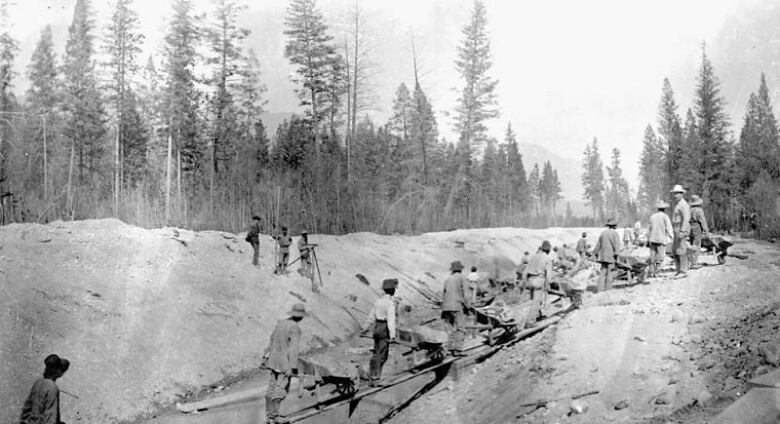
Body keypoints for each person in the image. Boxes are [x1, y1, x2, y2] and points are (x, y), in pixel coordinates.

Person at [263, 303, 305, 424]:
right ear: (301, 317)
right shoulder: (295, 328)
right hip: (284, 363)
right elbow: (293, 350)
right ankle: (275, 416)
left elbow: (271, 340)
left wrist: (266, 356)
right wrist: (292, 367)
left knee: (271, 388)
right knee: (281, 389)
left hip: (273, 361)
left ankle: (268, 416)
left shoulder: (281, 323)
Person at [363, 279, 398, 387]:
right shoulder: (390, 303)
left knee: (376, 352)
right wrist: (392, 336)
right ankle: (376, 379)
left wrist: (365, 328)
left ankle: (372, 376)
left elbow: (371, 316)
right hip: (384, 327)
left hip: (376, 327)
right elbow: (391, 321)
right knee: (382, 355)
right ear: (392, 291)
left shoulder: (378, 301)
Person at [20, 354, 70, 424]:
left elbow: (26, 410)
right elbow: (51, 418)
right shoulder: (52, 388)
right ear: (58, 372)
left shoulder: (38, 383)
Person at [441, 260, 469, 356]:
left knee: (449, 328)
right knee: (461, 328)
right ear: (460, 270)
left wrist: (443, 307)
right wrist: (468, 307)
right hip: (456, 306)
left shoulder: (447, 279)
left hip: (446, 307)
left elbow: (444, 294)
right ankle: (457, 349)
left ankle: (448, 348)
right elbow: (466, 294)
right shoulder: (462, 278)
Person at [522, 240, 553, 327]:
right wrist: (549, 283)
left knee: (534, 300)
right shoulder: (548, 259)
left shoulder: (533, 257)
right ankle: (530, 322)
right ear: (548, 250)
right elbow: (549, 275)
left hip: (530, 280)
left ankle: (537, 315)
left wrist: (525, 281)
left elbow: (525, 271)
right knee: (536, 302)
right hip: (539, 280)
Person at [592, 218, 622, 292]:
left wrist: (594, 253)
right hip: (610, 256)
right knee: (610, 273)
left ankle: (600, 289)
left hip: (603, 256)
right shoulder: (615, 234)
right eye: (616, 225)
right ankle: (608, 290)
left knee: (602, 273)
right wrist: (617, 256)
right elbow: (617, 246)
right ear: (614, 226)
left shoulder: (603, 233)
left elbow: (598, 245)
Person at [647, 200, 673, 277]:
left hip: (653, 239)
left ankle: (651, 271)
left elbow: (649, 228)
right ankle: (657, 272)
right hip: (661, 239)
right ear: (664, 209)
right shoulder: (665, 216)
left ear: (658, 208)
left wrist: (648, 238)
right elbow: (669, 228)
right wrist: (671, 237)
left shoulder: (652, 216)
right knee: (660, 257)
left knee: (652, 257)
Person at [670, 185, 691, 278]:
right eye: (674, 193)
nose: (675, 195)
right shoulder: (678, 205)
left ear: (682, 194)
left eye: (677, 193)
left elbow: (686, 218)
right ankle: (678, 270)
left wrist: (682, 231)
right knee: (675, 251)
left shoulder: (683, 205)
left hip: (680, 229)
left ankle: (683, 271)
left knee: (681, 250)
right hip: (676, 229)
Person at [688, 195, 709, 270]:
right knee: (696, 245)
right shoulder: (699, 210)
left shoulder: (689, 210)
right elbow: (703, 221)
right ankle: (694, 263)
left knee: (691, 244)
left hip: (689, 227)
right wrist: (706, 231)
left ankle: (690, 261)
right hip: (697, 227)